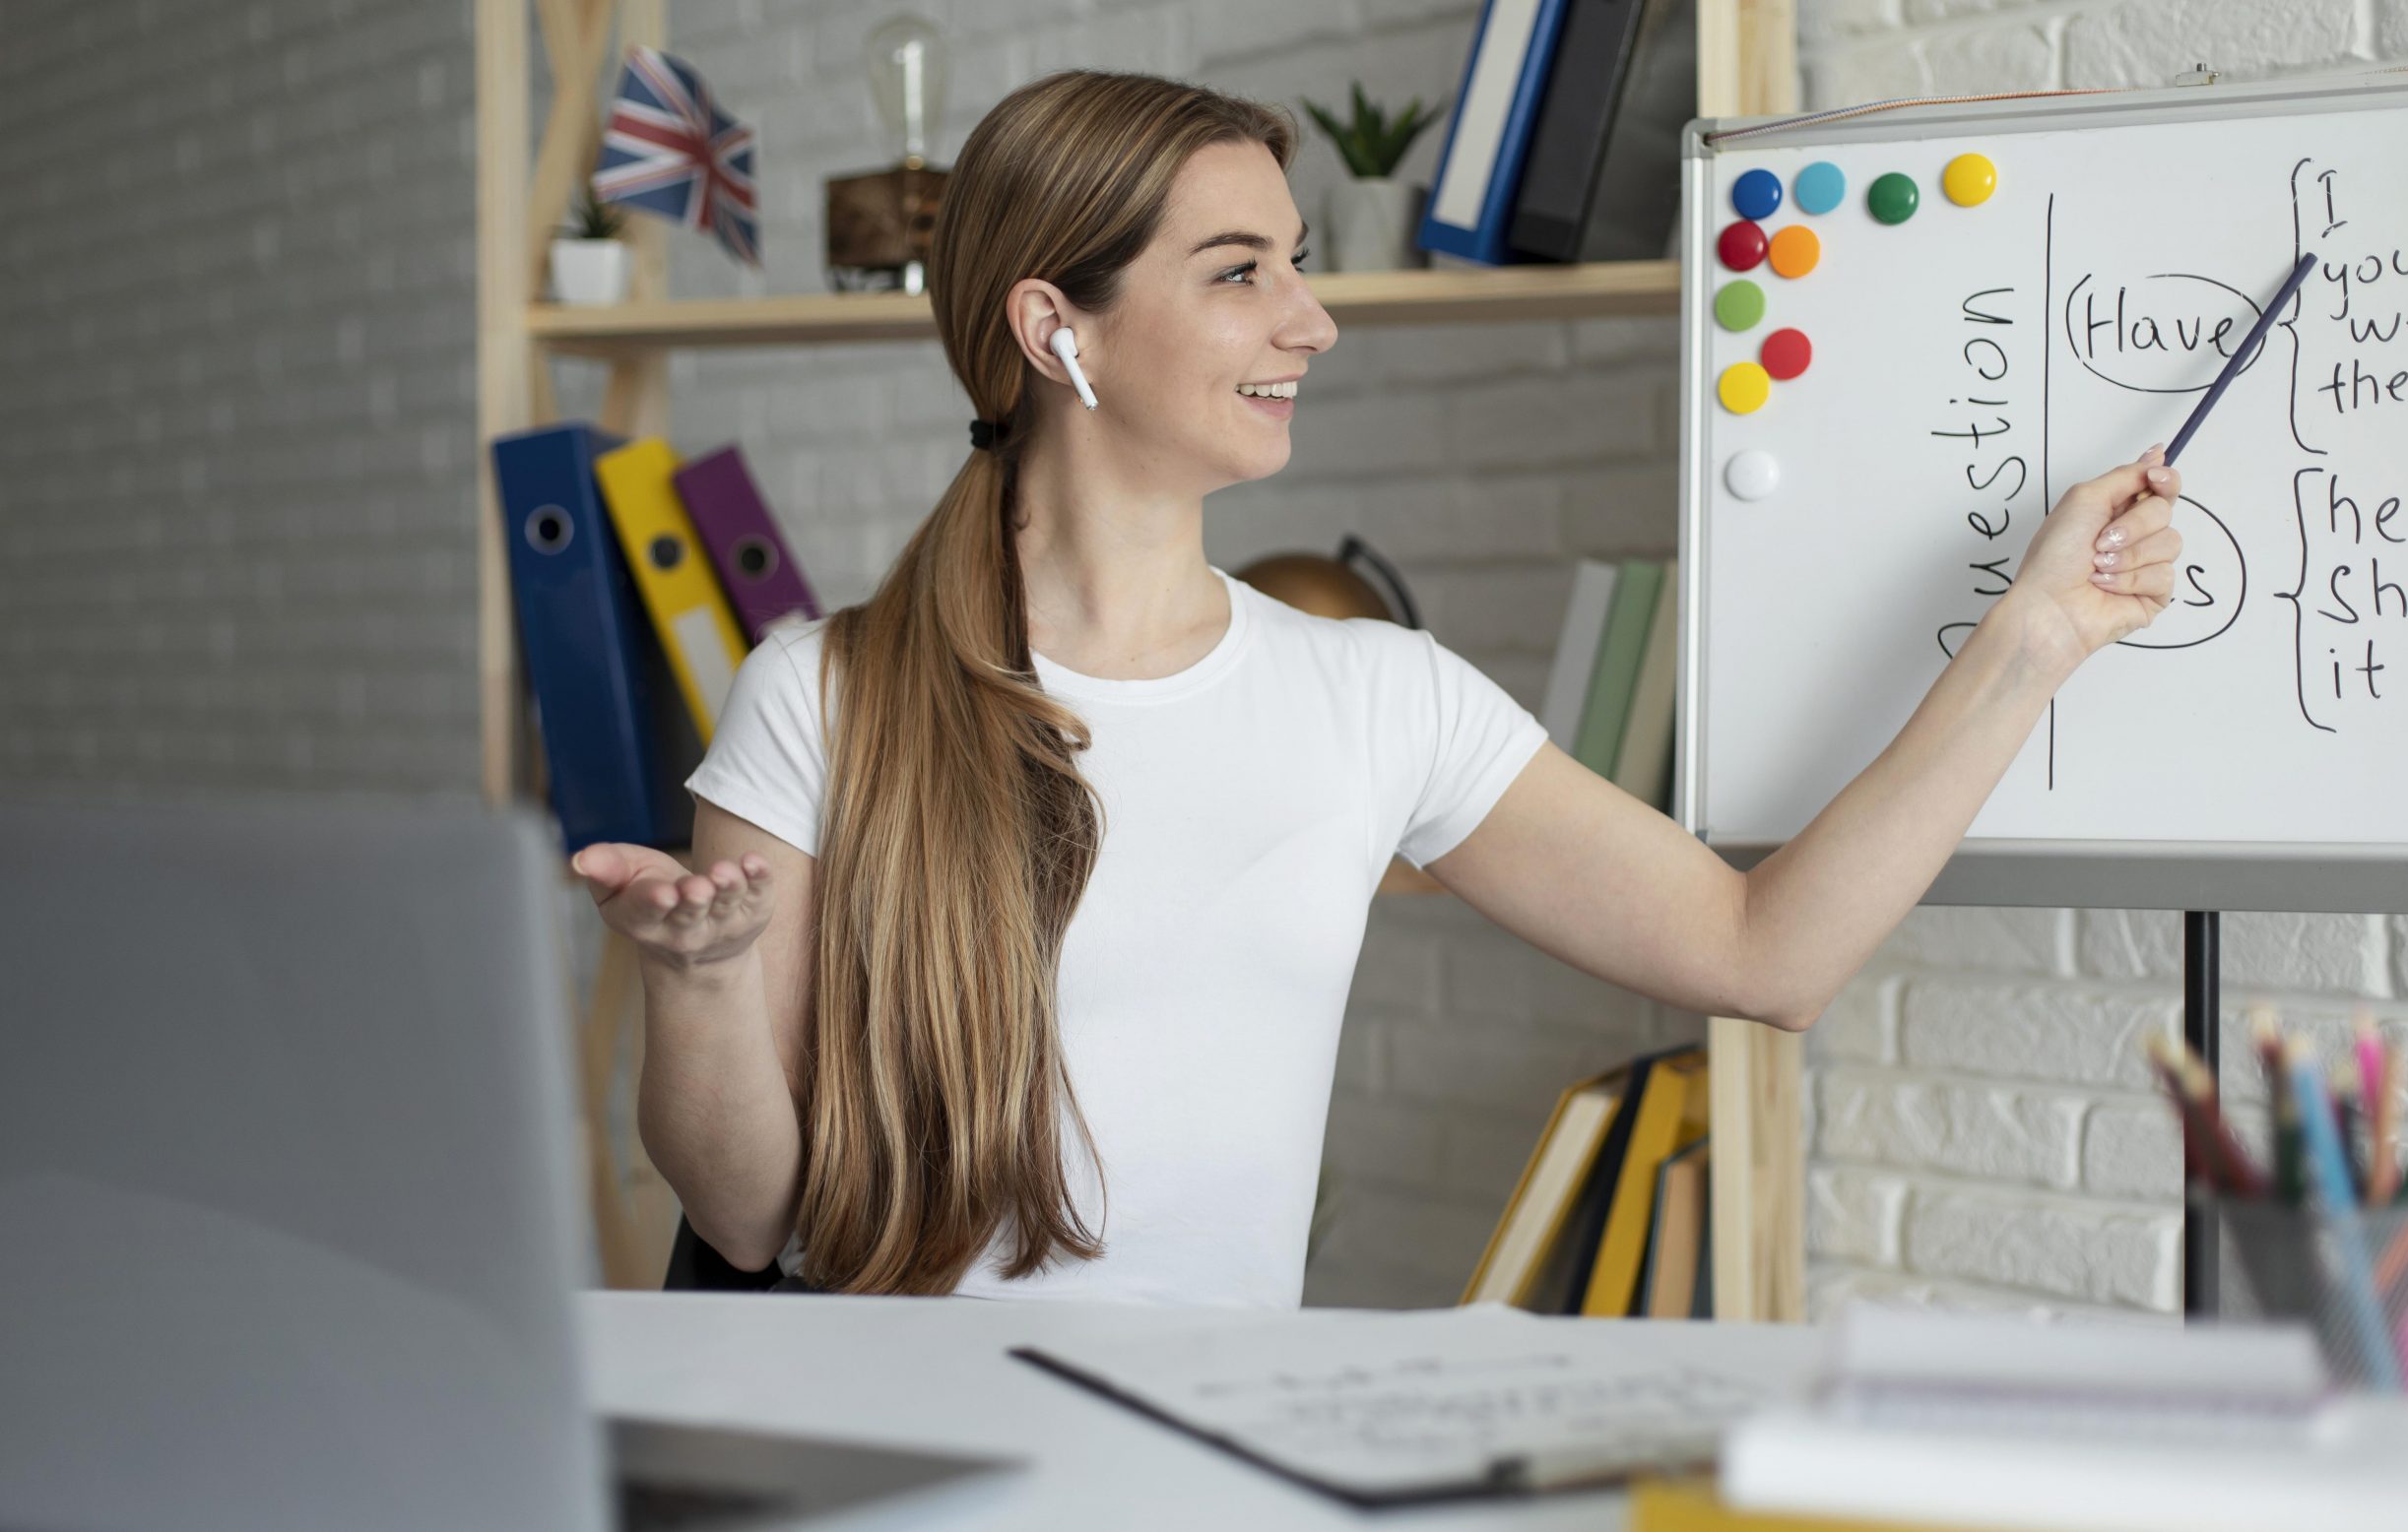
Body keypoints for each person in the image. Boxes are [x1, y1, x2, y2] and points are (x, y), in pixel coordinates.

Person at [568, 70, 2183, 1304]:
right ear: (1056, 330)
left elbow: (1768, 954)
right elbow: (752, 1212)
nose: (1312, 320)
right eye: (1238, 272)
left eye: (1298, 263)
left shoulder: (1378, 699)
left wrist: (2035, 638)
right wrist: (697, 985)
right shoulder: (825, 696)